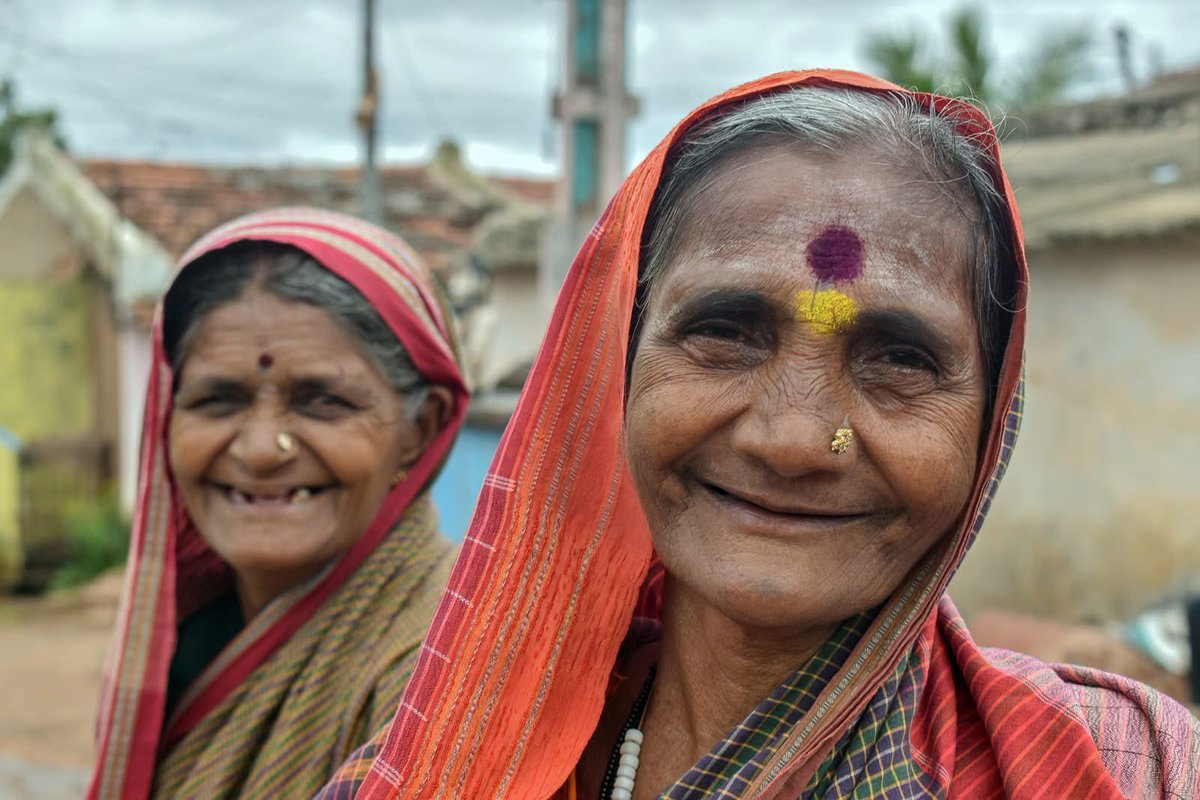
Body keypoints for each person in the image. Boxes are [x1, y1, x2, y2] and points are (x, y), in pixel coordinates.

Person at [319, 71, 1200, 799]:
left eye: (898, 356)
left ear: (990, 418)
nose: (793, 439)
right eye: (725, 333)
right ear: (617, 367)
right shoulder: (434, 766)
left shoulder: (1134, 767)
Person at [86, 208, 469, 799]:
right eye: (218, 399)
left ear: (421, 429)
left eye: (322, 400)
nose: (263, 450)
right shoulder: (183, 641)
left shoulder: (444, 666)